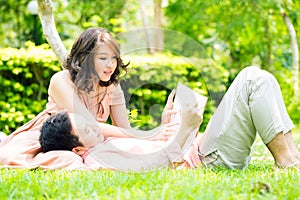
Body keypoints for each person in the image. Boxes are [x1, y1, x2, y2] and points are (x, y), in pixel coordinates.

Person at [0, 27, 198, 171]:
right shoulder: (61, 80)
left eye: (114, 58)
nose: (111, 65)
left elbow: (124, 129)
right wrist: (149, 134)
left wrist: (159, 129)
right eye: (103, 58)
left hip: (89, 140)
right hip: (55, 135)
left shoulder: (112, 85)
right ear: (85, 58)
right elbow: (89, 124)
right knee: (10, 156)